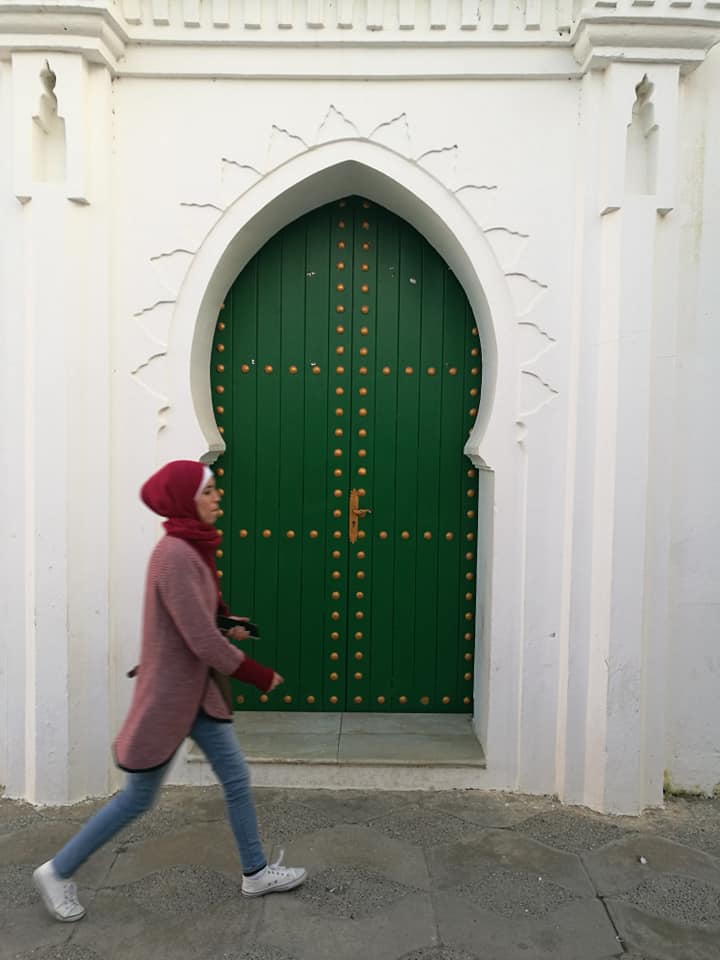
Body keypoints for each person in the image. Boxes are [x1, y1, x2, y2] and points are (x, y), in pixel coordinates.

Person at [33, 460, 306, 922]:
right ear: (185, 499)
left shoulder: (191, 547)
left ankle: (256, 871)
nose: (218, 497)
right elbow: (198, 639)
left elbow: (197, 619)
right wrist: (256, 674)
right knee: (137, 798)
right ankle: (57, 871)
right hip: (171, 698)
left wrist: (227, 623)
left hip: (196, 695)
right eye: (209, 491)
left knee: (235, 779)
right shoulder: (175, 554)